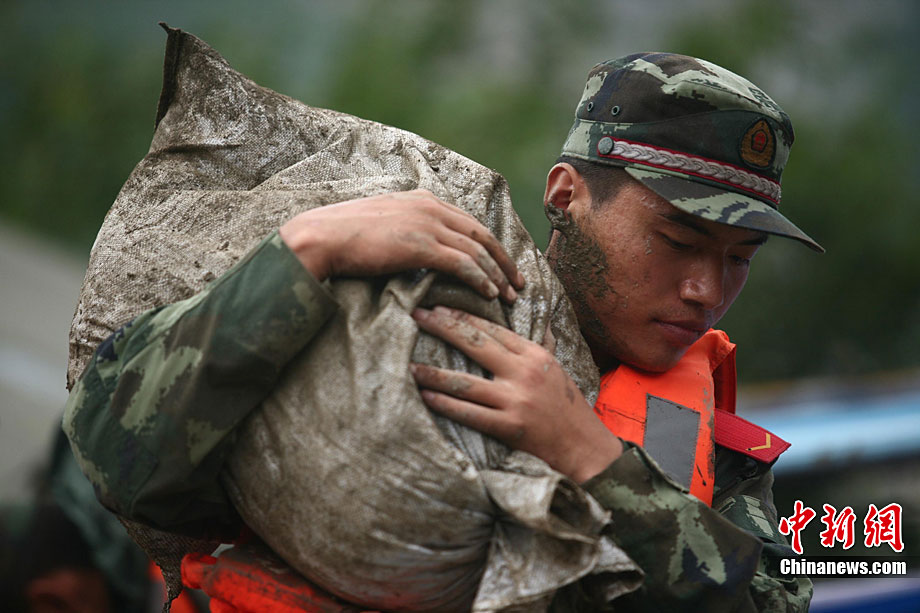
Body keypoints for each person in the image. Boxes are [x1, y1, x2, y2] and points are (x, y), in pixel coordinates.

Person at [63, 52, 820, 611]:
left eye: (739, 259)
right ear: (568, 195)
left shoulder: (715, 458)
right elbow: (113, 450)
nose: (706, 290)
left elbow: (769, 604)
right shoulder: (389, 305)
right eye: (678, 240)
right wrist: (304, 253)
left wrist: (593, 459)